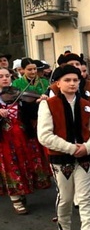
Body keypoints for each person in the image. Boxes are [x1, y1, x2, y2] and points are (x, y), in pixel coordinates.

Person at [37, 65, 90, 230]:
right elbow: (44, 135)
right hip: (60, 159)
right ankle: (64, 227)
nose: (72, 83)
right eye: (67, 80)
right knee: (65, 198)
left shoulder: (86, 104)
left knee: (85, 198)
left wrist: (87, 147)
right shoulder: (48, 104)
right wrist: (71, 148)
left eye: (75, 80)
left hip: (84, 157)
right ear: (58, 83)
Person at [0, 68, 52, 214]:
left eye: (7, 76)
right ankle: (16, 199)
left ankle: (22, 192)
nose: (5, 78)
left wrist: (40, 102)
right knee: (10, 166)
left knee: (25, 164)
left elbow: (31, 111)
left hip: (23, 137)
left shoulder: (18, 94)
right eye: (1, 76)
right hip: (4, 140)